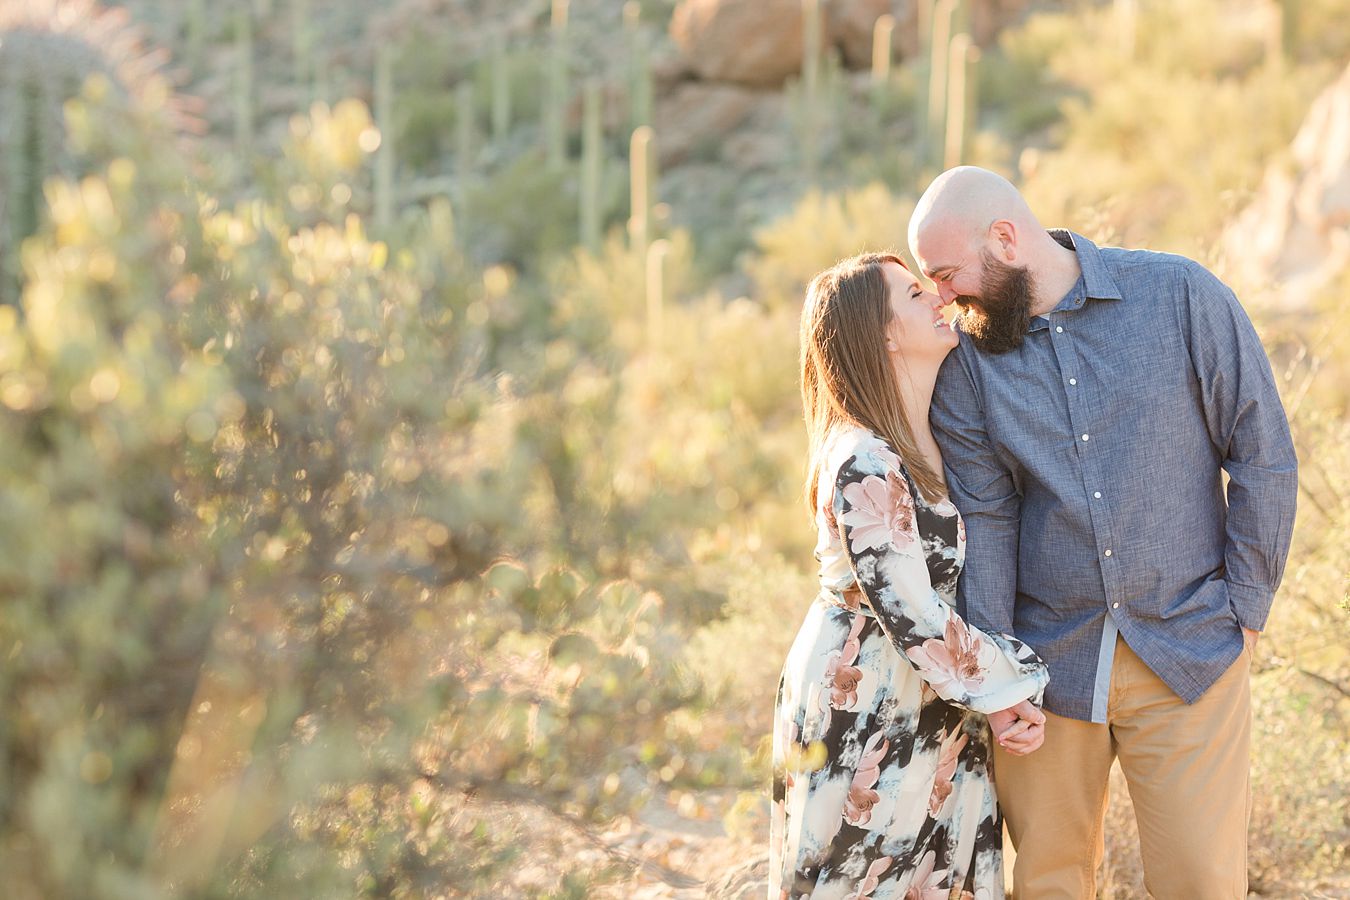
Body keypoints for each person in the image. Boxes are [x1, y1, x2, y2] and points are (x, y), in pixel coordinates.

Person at [910, 166, 1299, 899]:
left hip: (1191, 648)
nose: (942, 296)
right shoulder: (969, 364)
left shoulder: (1181, 296)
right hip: (1047, 669)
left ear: (1005, 239)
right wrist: (997, 673)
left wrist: (1248, 605)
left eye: (947, 273)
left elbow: (1261, 451)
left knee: (1202, 884)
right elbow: (987, 517)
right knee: (1050, 885)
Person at [769, 251, 1051, 899]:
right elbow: (912, 614)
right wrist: (1013, 687)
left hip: (933, 703)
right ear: (884, 333)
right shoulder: (863, 459)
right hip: (864, 703)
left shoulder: (920, 441)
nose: (937, 297)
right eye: (914, 295)